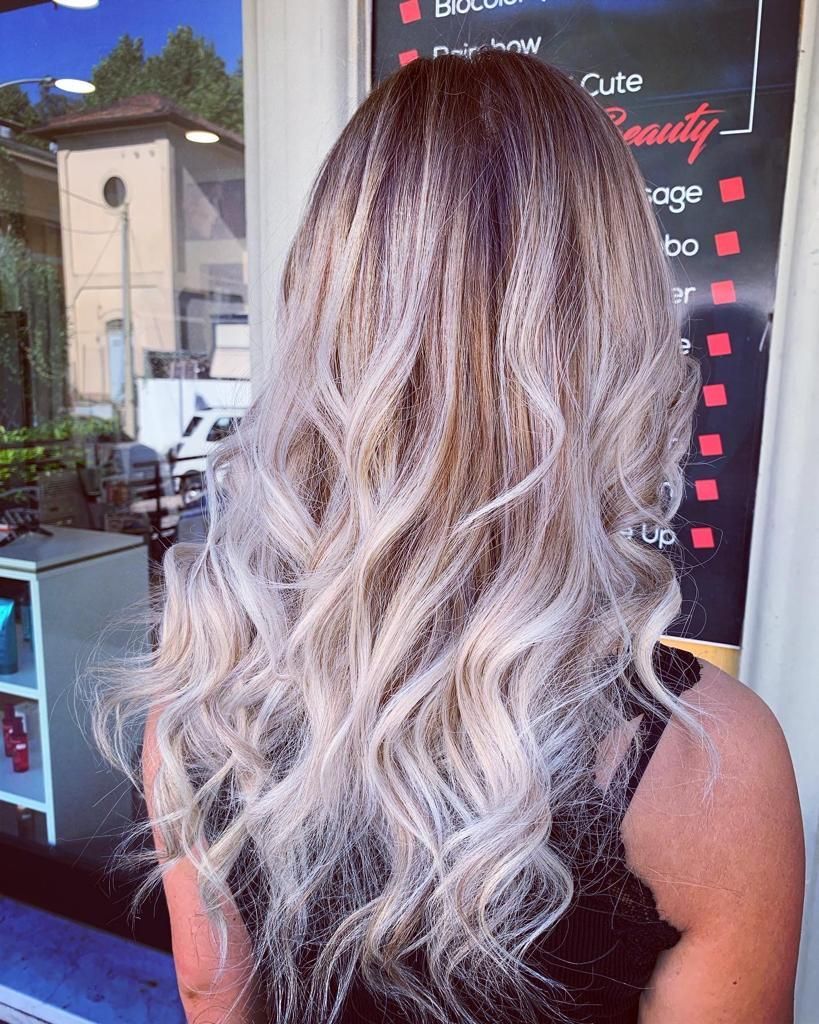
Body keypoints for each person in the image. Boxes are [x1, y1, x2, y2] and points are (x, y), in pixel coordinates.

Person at [92, 51, 805, 1024]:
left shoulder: (206, 702)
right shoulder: (713, 767)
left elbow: (213, 1003)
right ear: (617, 337)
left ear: (324, 322)